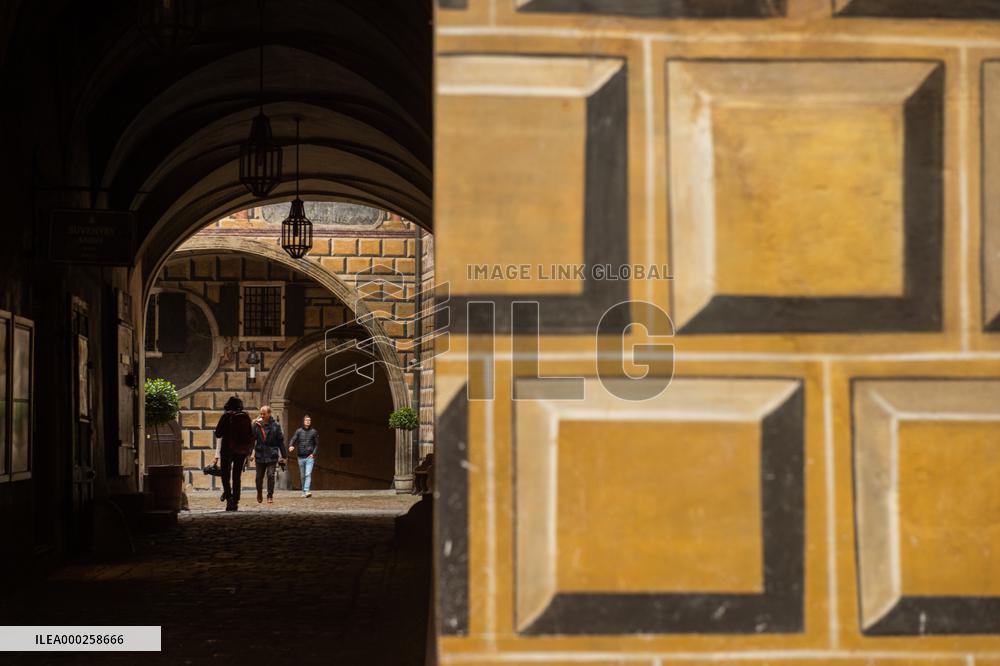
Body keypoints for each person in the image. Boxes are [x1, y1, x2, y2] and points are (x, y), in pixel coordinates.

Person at [212, 396, 254, 512]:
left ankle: (229, 499)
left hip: (227, 449)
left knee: (225, 475)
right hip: (241, 450)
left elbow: (218, 433)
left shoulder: (226, 416)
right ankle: (235, 501)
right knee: (237, 476)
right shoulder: (245, 416)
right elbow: (250, 434)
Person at [251, 405, 286, 504]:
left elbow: (280, 442)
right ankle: (259, 492)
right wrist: (250, 454)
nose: (262, 416)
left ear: (269, 414)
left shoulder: (276, 426)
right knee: (258, 477)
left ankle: (270, 495)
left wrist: (284, 456)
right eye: (261, 414)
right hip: (260, 454)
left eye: (264, 414)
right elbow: (252, 440)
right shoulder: (256, 425)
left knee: (271, 475)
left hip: (272, 454)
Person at [288, 415, 319, 498]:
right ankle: (303, 491)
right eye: (306, 420)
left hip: (310, 457)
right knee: (302, 475)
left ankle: (307, 490)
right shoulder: (299, 431)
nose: (308, 421)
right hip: (300, 457)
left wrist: (313, 454)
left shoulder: (314, 432)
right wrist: (291, 445)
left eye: (309, 420)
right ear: (303, 421)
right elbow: (293, 439)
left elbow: (317, 444)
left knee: (308, 474)